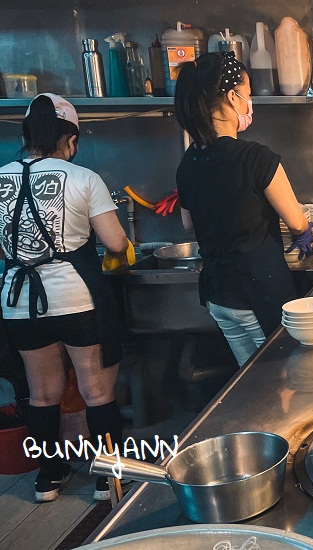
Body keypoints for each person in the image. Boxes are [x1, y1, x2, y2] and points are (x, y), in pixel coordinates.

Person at [0, 93, 131, 502]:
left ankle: (47, 479)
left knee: (42, 393)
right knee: (96, 390)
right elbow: (114, 243)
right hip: (76, 298)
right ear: (70, 139)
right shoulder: (83, 178)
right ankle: (106, 479)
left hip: (19, 301)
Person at [173, 52, 313, 366]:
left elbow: (188, 225)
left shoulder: (189, 162)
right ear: (232, 98)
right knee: (283, 379)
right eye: (247, 95)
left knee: (250, 381)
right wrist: (305, 234)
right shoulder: (255, 157)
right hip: (256, 291)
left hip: (218, 294)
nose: (249, 103)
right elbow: (296, 220)